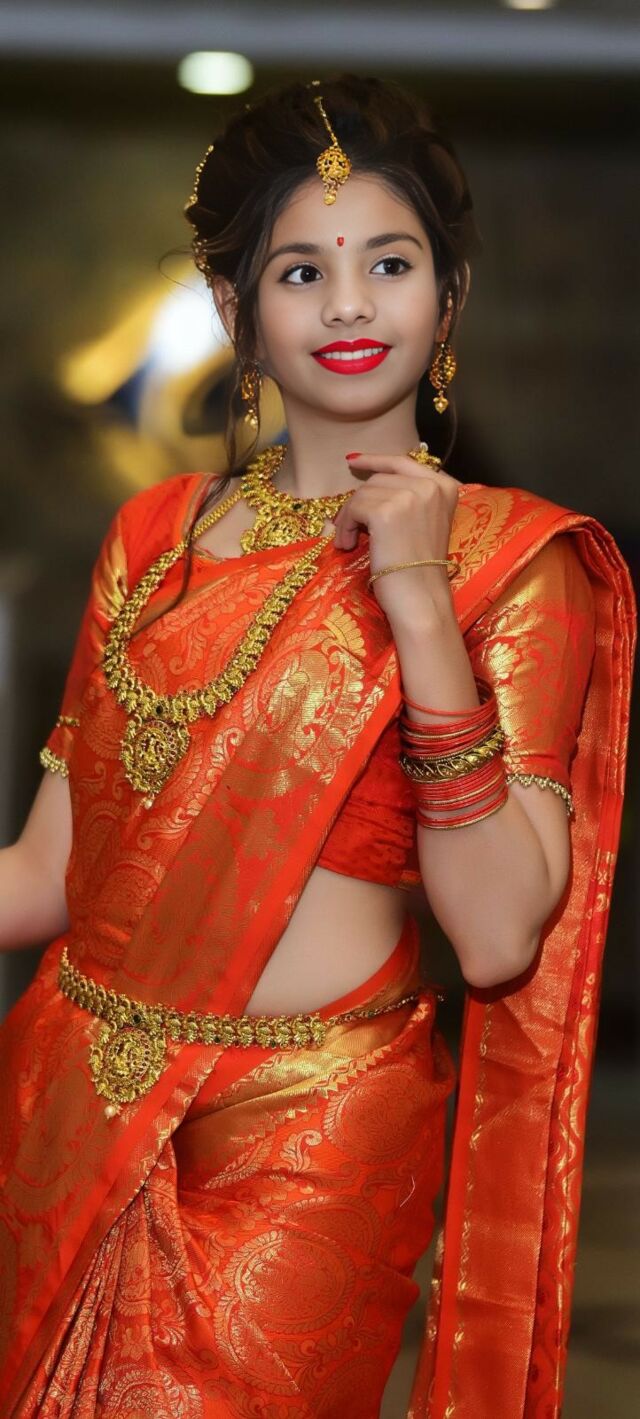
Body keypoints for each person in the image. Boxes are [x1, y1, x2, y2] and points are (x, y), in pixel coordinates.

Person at [0, 74, 635, 1419]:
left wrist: (417, 595)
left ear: (448, 297)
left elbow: (497, 938)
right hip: (75, 1105)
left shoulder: (514, 566)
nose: (350, 304)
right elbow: (47, 878)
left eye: (389, 264)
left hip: (308, 1144)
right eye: (303, 271)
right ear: (235, 309)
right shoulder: (152, 540)